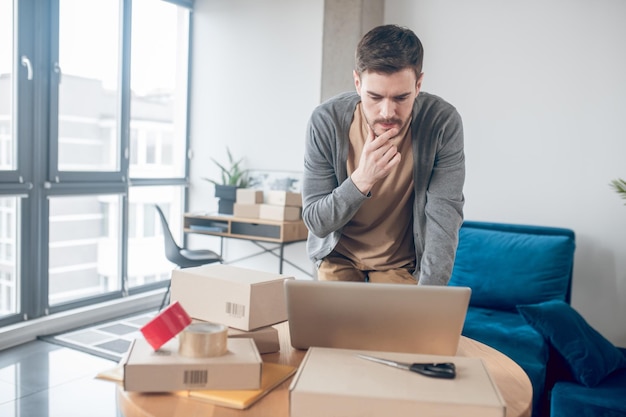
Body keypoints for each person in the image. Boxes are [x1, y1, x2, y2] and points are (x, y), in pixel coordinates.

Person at [301, 24, 465, 285]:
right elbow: (316, 222)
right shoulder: (326, 121)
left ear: (419, 83)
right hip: (339, 256)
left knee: (403, 327)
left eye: (401, 97)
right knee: (332, 325)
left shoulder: (441, 122)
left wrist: (431, 299)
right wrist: (361, 179)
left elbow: (443, 220)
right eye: (375, 97)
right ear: (357, 82)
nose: (387, 112)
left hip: (398, 264)